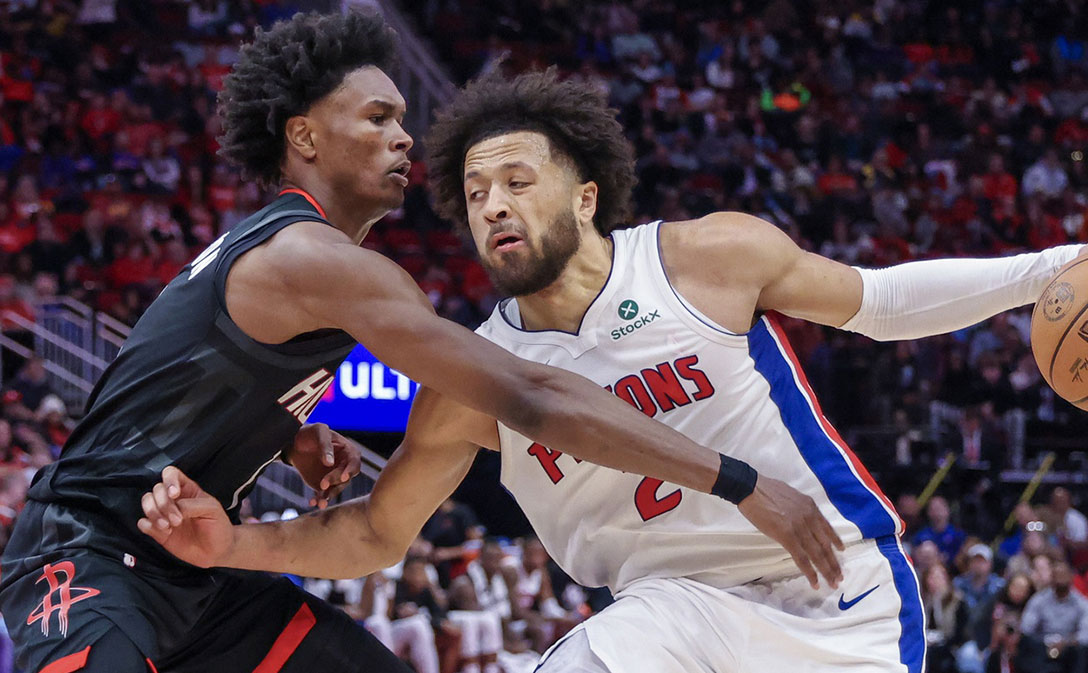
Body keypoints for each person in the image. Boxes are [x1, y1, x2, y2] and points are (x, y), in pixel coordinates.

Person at [139, 69, 1088, 672]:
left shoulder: (704, 256)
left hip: (840, 605)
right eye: (473, 191)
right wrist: (234, 541)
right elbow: (372, 532)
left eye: (518, 179)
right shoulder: (478, 375)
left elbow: (879, 303)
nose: (493, 204)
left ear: (588, 196)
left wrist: (1055, 268)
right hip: (673, 618)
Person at [0, 18, 839, 673]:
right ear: (305, 137)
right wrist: (737, 480)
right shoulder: (317, 261)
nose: (407, 136)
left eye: (404, 118)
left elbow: (171, 369)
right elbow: (532, 396)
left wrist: (285, 430)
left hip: (193, 575)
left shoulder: (288, 254)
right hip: (84, 560)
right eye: (379, 117)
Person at [1018, 560, 1088, 673]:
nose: (1060, 579)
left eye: (1063, 575)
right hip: (1042, 646)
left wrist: (1065, 643)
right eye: (1057, 575)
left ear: (1071, 577)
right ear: (1051, 578)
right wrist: (1047, 643)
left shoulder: (1082, 603)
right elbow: (1026, 628)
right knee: (1026, 643)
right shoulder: (1039, 599)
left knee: (1082, 651)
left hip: (1070, 649)